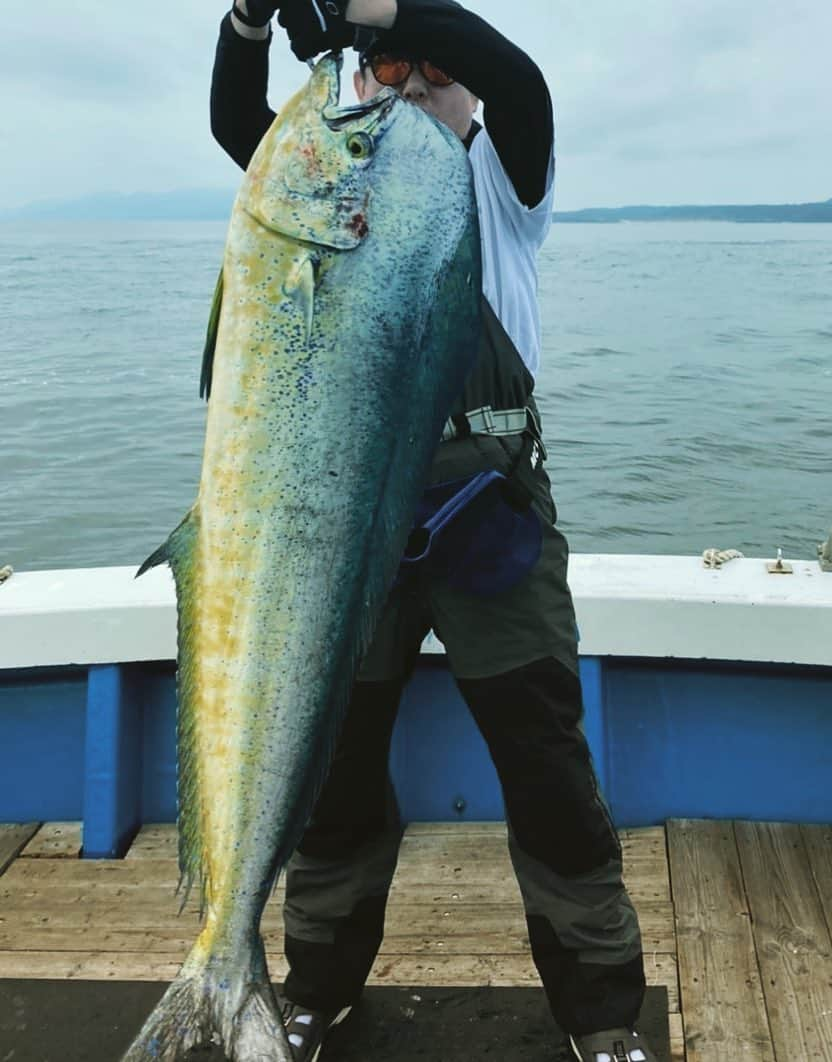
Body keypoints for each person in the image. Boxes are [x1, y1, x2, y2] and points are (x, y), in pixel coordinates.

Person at [211, 3, 658, 1060]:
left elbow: (520, 77)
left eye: (433, 74)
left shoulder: (505, 188)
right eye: (390, 75)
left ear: (467, 101)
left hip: (491, 522)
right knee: (335, 773)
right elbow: (241, 123)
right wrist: (246, 20)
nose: (411, 88)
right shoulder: (336, 184)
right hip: (348, 521)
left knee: (547, 772)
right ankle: (316, 989)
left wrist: (383, 15)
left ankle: (601, 1019)